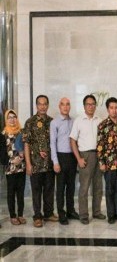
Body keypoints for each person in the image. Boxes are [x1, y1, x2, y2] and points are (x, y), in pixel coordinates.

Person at [70, 94, 106, 225]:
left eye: (93, 104)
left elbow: (104, 141)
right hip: (85, 155)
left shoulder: (100, 120)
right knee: (84, 188)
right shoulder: (79, 121)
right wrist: (78, 158)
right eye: (88, 104)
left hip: (98, 155)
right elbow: (72, 140)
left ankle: (96, 212)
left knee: (98, 186)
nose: (91, 106)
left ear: (95, 106)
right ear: (84, 106)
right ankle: (84, 215)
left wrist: (103, 159)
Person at [23, 95, 58, 228]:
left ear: (48, 105)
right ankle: (37, 216)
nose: (42, 106)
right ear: (36, 106)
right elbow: (26, 144)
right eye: (40, 104)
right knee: (36, 191)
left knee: (49, 190)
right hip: (36, 164)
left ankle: (48, 213)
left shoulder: (52, 122)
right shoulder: (30, 122)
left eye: (45, 104)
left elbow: (55, 142)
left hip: (49, 164)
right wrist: (28, 164)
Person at [50, 97, 79, 225]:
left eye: (68, 104)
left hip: (72, 158)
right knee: (61, 188)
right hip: (60, 157)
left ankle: (71, 211)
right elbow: (52, 143)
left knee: (71, 187)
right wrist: (55, 162)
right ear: (59, 106)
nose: (65, 107)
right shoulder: (54, 122)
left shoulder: (73, 121)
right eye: (63, 105)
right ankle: (61, 213)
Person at [97, 97, 117, 224]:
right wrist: (101, 163)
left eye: (116, 108)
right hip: (108, 165)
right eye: (111, 108)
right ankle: (110, 215)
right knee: (109, 190)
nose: (114, 110)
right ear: (108, 109)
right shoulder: (103, 125)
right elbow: (99, 145)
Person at [2, 110, 25, 226]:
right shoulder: (3, 134)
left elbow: (26, 149)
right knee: (11, 193)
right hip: (10, 169)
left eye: (14, 117)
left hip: (21, 167)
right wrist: (12, 160)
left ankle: (20, 214)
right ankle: (12, 216)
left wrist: (22, 157)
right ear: (6, 119)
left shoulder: (21, 132)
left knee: (21, 193)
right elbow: (1, 155)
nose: (12, 119)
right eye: (9, 117)